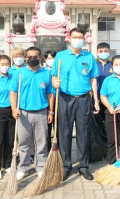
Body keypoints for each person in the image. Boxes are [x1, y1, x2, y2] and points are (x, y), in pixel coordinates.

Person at [51, 27, 100, 181]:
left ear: (84, 39)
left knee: (83, 133)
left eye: (80, 37)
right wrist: (55, 82)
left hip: (84, 99)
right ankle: (66, 166)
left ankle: (83, 166)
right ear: (69, 38)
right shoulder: (60, 56)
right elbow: (53, 77)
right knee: (64, 133)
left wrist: (96, 100)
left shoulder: (89, 57)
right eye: (75, 36)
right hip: (65, 99)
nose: (78, 39)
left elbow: (93, 80)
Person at [9, 47, 54, 180]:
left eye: (35, 56)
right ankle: (23, 167)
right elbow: (13, 92)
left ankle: (40, 167)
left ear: (40, 58)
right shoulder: (20, 73)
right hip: (23, 113)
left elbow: (50, 93)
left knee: (41, 143)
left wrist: (50, 111)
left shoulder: (46, 73)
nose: (32, 59)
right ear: (25, 58)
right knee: (23, 143)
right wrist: (13, 109)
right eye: (29, 57)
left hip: (41, 113)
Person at [43, 50, 57, 151]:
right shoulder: (43, 72)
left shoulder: (60, 70)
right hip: (46, 102)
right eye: (49, 58)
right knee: (46, 129)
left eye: (53, 58)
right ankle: (46, 151)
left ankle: (58, 150)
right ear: (45, 60)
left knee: (58, 128)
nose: (51, 60)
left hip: (59, 101)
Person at [96, 42, 113, 121]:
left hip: (110, 100)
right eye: (101, 51)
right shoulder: (94, 65)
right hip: (96, 100)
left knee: (108, 124)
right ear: (97, 52)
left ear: (109, 52)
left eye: (105, 51)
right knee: (97, 126)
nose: (103, 53)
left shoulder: (114, 65)